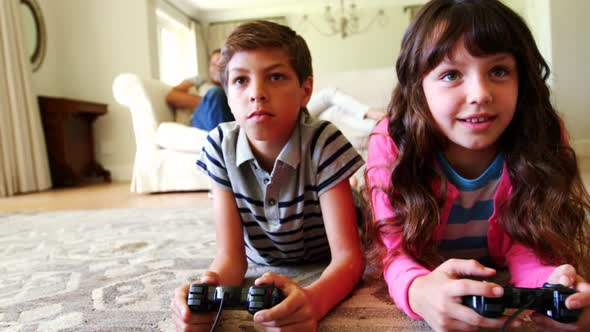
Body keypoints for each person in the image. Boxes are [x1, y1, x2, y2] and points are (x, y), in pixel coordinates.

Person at [364, 0, 590, 331]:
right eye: (451, 74)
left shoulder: (543, 134)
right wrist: (417, 290)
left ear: (522, 79)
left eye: (498, 71)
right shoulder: (391, 143)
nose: (480, 93)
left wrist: (552, 284)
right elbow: (393, 252)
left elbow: (530, 241)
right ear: (418, 88)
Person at [171, 20, 365, 331]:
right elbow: (231, 258)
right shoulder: (220, 145)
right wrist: (209, 290)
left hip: (321, 249)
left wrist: (314, 300)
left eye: (275, 77)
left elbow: (349, 259)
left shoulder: (324, 141)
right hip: (264, 253)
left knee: (364, 210)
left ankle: (352, 188)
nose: (257, 93)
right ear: (226, 92)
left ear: (305, 90)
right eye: (240, 81)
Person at [165, 49, 235, 131]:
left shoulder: (233, 86)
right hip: (203, 117)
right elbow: (172, 96)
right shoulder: (201, 80)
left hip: (228, 117)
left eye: (221, 64)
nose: (217, 67)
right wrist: (207, 102)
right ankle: (223, 140)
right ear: (209, 67)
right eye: (213, 64)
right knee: (216, 92)